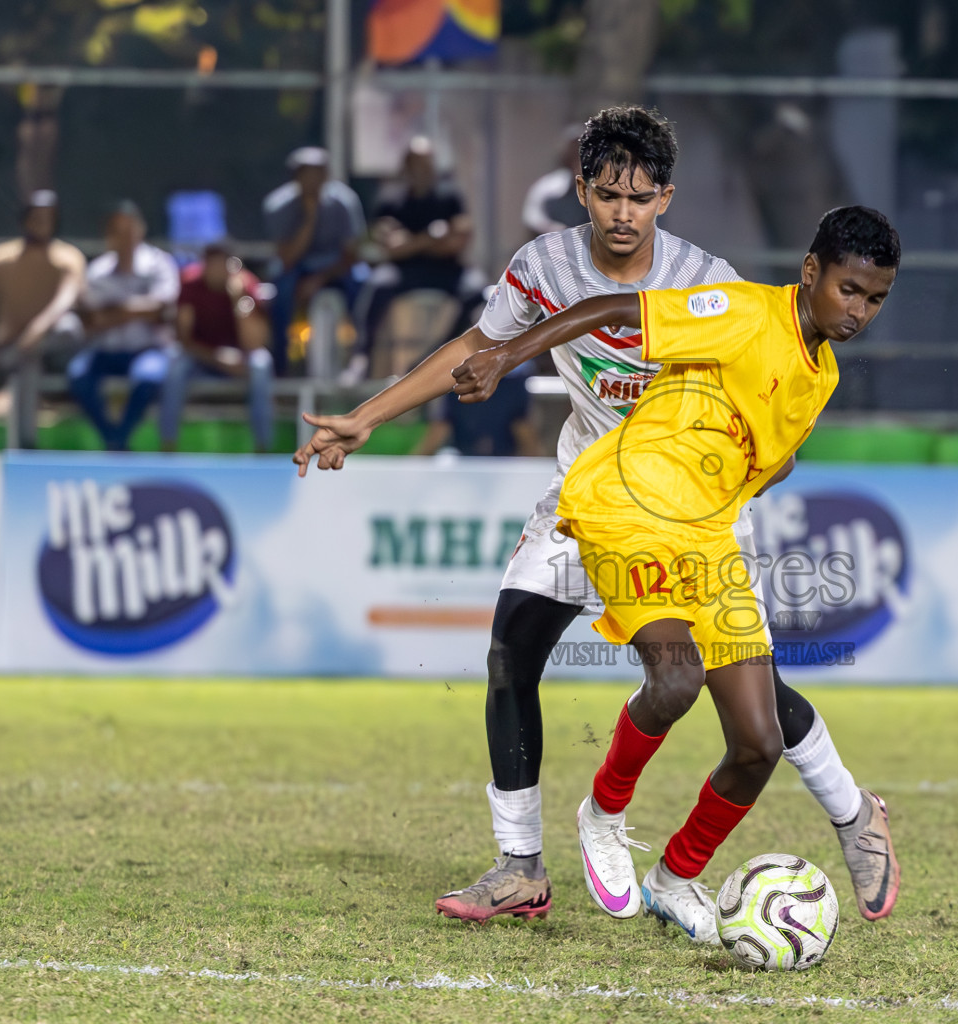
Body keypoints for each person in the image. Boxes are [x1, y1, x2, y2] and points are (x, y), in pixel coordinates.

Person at [293, 107, 900, 930]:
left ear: (665, 200)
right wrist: (368, 417)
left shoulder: (704, 279)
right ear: (581, 190)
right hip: (596, 488)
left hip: (697, 502)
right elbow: (476, 342)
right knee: (515, 649)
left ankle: (846, 810)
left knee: (743, 697)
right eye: (608, 193)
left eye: (640, 197)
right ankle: (520, 868)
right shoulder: (543, 264)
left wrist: (741, 479)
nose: (622, 212)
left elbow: (770, 407)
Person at [447, 205, 902, 943]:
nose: (860, 311)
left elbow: (772, 457)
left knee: (758, 742)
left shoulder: (822, 375)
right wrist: (505, 355)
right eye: (850, 290)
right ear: (811, 272)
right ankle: (603, 811)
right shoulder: (744, 311)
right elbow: (611, 307)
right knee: (675, 680)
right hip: (622, 508)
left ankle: (674, 877)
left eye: (876, 299)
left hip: (707, 537)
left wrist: (738, 471)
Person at [0, 190, 87, 449]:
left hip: (56, 348)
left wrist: (39, 328)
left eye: (48, 218)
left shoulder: (68, 256)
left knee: (67, 327)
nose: (42, 223)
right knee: (27, 362)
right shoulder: (2, 256)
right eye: (36, 217)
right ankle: (24, 447)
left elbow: (68, 296)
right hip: (19, 350)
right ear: (24, 220)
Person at [352, 136, 479, 381]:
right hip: (403, 273)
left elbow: (458, 242)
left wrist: (411, 242)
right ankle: (361, 356)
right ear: (407, 167)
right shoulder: (391, 200)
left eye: (428, 163)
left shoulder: (449, 196)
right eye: (418, 164)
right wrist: (433, 237)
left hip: (447, 271)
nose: (424, 170)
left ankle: (436, 359)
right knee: (376, 286)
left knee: (477, 291)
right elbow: (390, 248)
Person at [68, 202, 179, 452]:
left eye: (130, 228)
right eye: (118, 230)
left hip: (148, 349)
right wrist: (140, 311)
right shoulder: (97, 270)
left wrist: (113, 311)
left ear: (141, 229)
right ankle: (113, 438)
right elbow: (92, 319)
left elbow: (162, 307)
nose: (125, 236)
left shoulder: (159, 263)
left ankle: (119, 438)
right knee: (78, 375)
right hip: (106, 352)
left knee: (149, 377)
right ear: (109, 235)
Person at [161, 242, 275, 453]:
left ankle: (262, 448)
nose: (216, 269)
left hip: (240, 359)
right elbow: (183, 339)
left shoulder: (247, 286)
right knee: (174, 363)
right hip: (200, 357)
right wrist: (218, 359)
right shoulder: (190, 284)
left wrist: (237, 299)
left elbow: (255, 343)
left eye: (222, 263)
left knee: (261, 364)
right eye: (211, 263)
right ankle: (168, 446)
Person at [262, 147, 367, 374]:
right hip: (296, 268)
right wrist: (310, 218)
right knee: (279, 293)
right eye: (307, 173)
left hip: (336, 268)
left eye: (319, 172)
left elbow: (351, 255)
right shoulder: (278, 205)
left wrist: (319, 280)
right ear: (296, 177)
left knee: (363, 285)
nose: (313, 179)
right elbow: (287, 258)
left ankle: (361, 358)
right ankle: (280, 371)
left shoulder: (345, 203)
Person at [413, 361, 540, 457]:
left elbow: (524, 431)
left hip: (502, 462)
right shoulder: (458, 386)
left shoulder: (512, 386)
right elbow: (441, 429)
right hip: (467, 462)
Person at [521, 126, 587, 237]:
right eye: (573, 147)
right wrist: (555, 229)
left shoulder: (601, 185)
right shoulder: (550, 186)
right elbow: (532, 216)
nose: (577, 152)